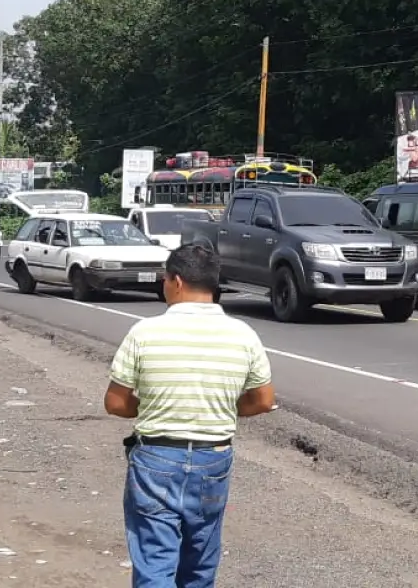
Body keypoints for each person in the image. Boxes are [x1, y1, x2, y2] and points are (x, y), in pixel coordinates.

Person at [104, 244, 275, 588]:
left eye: (165, 280)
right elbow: (263, 400)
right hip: (213, 459)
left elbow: (115, 402)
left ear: (176, 281)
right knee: (200, 560)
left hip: (155, 459)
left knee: (155, 560)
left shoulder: (144, 332)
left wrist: (155, 406)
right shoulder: (243, 335)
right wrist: (223, 407)